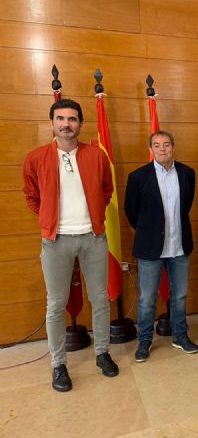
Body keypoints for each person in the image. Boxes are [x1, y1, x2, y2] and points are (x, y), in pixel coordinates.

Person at [23, 98, 119, 392]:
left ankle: (102, 353)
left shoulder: (96, 155)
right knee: (56, 304)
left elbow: (106, 190)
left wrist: (94, 218)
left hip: (93, 238)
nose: (66, 124)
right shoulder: (36, 158)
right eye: (61, 118)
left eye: (72, 119)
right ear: (52, 123)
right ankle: (58, 364)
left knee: (100, 299)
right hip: (56, 241)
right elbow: (31, 195)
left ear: (80, 124)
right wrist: (49, 218)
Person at [124, 130, 198, 362]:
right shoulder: (138, 177)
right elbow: (131, 212)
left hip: (179, 245)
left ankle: (180, 336)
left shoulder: (187, 173)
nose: (162, 149)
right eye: (157, 145)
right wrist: (150, 230)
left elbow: (186, 206)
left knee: (180, 296)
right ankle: (145, 340)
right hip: (150, 248)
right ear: (150, 149)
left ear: (173, 147)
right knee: (147, 299)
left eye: (166, 144)